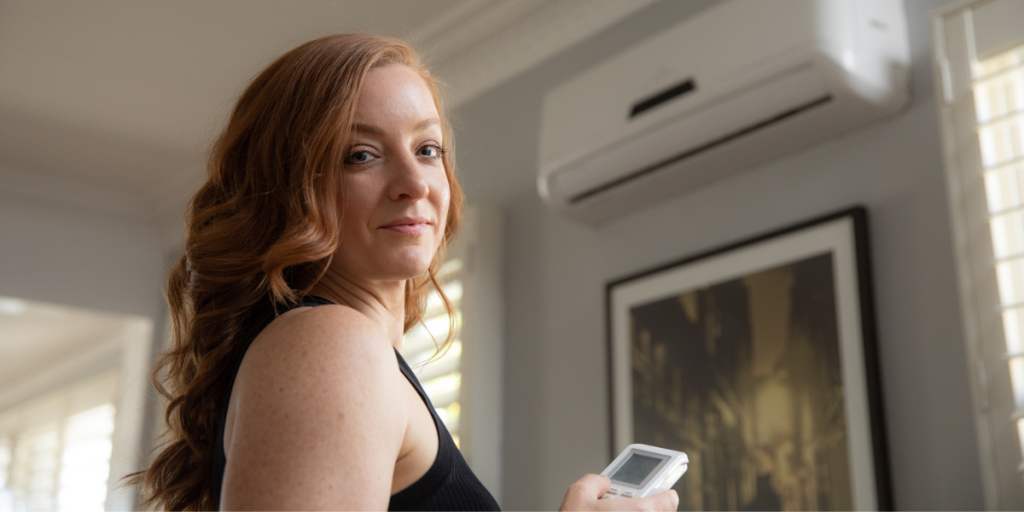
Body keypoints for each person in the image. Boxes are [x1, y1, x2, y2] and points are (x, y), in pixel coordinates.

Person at [131, 34, 680, 511]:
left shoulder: (346, 354)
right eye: (361, 155)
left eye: (427, 148)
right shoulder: (332, 344)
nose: (414, 183)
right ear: (286, 190)